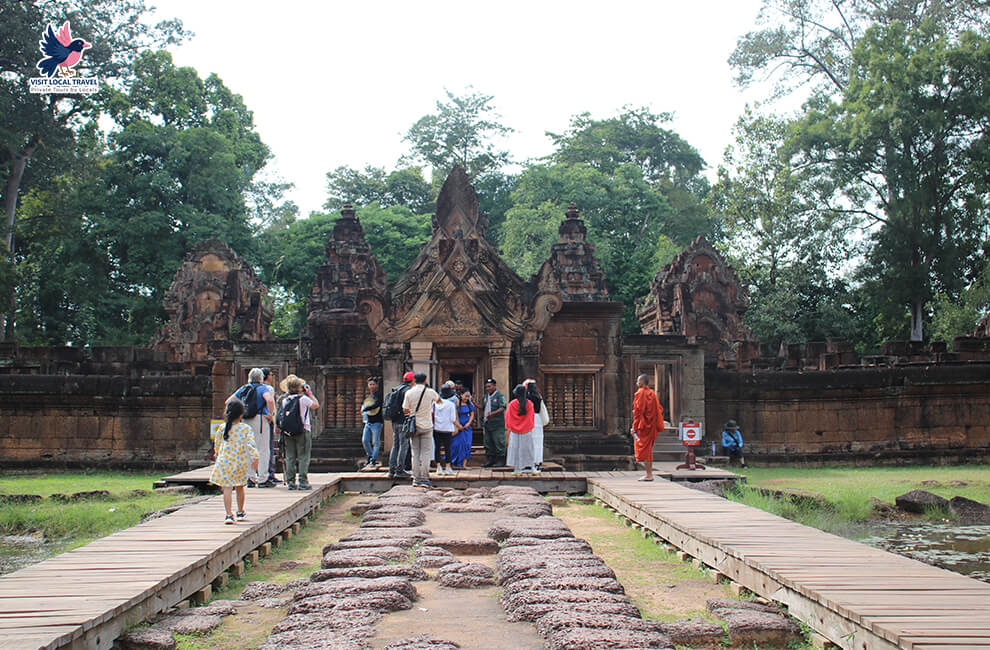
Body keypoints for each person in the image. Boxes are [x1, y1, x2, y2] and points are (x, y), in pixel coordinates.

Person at [209, 398, 259, 524]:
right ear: (242, 414)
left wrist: (216, 453)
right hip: (239, 462)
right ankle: (240, 511)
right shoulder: (245, 428)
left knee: (227, 488)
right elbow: (251, 444)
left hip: (225, 461)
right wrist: (255, 457)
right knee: (240, 487)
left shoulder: (222, 427)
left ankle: (228, 514)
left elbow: (218, 444)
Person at [228, 368, 276, 487]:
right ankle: (263, 478)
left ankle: (250, 477)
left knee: (248, 449)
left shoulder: (244, 388)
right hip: (259, 419)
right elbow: (269, 400)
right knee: (263, 449)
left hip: (245, 420)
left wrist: (237, 415)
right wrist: (271, 414)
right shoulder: (262, 388)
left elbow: (229, 401)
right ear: (261, 378)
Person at [279, 375, 319, 489]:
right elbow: (316, 405)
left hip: (288, 431)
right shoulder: (303, 399)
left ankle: (291, 482)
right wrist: (310, 393)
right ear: (299, 387)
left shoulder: (285, 400)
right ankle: (302, 481)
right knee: (303, 456)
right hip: (303, 430)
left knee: (290, 456)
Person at [402, 372, 439, 487]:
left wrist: (413, 414)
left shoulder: (409, 392)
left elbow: (405, 409)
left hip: (414, 426)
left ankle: (416, 479)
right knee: (426, 453)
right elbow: (439, 400)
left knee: (415, 453)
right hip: (427, 425)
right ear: (425, 380)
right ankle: (424, 478)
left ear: (414, 380)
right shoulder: (430, 392)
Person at [631, 373, 664, 482]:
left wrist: (634, 427)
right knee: (648, 450)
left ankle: (649, 475)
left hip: (643, 427)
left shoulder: (640, 393)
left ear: (641, 383)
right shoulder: (652, 394)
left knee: (644, 450)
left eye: (637, 381)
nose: (636, 383)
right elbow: (658, 409)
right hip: (651, 426)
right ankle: (649, 474)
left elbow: (638, 412)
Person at [386, 371, 414, 479]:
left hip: (394, 421)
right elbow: (407, 407)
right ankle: (400, 470)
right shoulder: (408, 391)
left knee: (395, 445)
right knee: (404, 445)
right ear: (412, 380)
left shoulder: (396, 389)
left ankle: (391, 470)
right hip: (403, 421)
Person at [505, 384, 536, 475]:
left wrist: (510, 426)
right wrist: (528, 426)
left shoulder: (512, 404)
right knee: (528, 449)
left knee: (515, 449)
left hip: (514, 431)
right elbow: (531, 417)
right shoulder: (529, 404)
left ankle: (517, 469)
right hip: (527, 430)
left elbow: (508, 417)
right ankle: (532, 468)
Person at [523, 379, 549, 473]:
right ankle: (537, 461)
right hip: (538, 419)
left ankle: (529, 462)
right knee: (538, 441)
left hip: (529, 418)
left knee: (529, 441)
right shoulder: (538, 397)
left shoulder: (527, 397)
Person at [433, 385, 458, 475]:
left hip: (436, 428)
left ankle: (438, 467)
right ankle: (448, 467)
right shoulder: (451, 404)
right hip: (447, 429)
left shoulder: (435, 403)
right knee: (448, 448)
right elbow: (453, 418)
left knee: (437, 448)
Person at [482, 378, 507, 467]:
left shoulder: (500, 396)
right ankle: (490, 460)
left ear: (494, 386)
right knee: (488, 442)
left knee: (499, 441)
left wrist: (493, 414)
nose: (487, 388)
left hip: (497, 424)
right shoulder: (485, 397)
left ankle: (500, 460)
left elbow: (503, 407)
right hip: (488, 423)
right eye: (486, 387)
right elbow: (483, 408)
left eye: (489, 386)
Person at [262, 368, 281, 486]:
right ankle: (269, 474)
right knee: (267, 448)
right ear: (267, 376)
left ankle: (254, 475)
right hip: (266, 421)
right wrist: (273, 418)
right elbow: (271, 403)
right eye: (270, 374)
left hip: (252, 421)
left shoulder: (250, 388)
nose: (272, 376)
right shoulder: (268, 389)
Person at [361, 376, 384, 468]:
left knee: (376, 442)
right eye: (370, 384)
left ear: (377, 385)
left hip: (377, 422)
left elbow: (377, 404)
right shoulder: (370, 396)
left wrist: (366, 409)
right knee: (365, 440)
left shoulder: (378, 395)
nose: (372, 386)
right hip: (368, 422)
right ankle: (370, 455)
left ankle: (373, 460)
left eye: (373, 384)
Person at [451, 390, 475, 469]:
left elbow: (472, 415)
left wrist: (468, 423)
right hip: (458, 427)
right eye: (465, 396)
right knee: (456, 445)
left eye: (468, 396)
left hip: (467, 427)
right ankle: (454, 463)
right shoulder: (456, 404)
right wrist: (458, 425)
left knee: (467, 445)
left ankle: (464, 464)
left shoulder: (469, 405)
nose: (467, 398)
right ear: (461, 395)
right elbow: (453, 416)